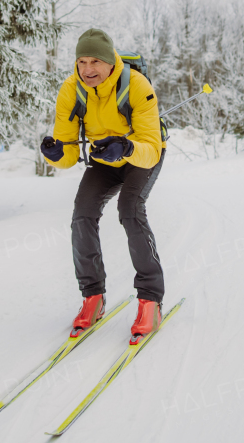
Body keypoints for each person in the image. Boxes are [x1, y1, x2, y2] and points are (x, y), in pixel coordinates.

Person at [39, 28, 166, 343]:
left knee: (129, 209)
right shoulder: (71, 89)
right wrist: (56, 154)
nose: (87, 69)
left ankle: (151, 299)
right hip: (105, 160)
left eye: (95, 61)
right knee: (82, 213)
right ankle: (92, 297)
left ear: (111, 62)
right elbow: (68, 151)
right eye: (82, 61)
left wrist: (125, 147)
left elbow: (150, 145)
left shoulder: (138, 87)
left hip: (141, 156)